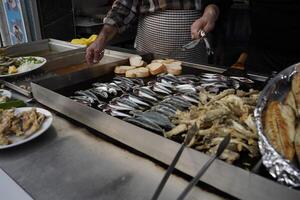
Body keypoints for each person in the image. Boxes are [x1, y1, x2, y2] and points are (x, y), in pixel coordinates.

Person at [86, 0, 230, 65]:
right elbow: (122, 9)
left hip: (192, 59)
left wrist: (212, 11)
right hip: (149, 59)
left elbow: (218, 4)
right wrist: (101, 38)